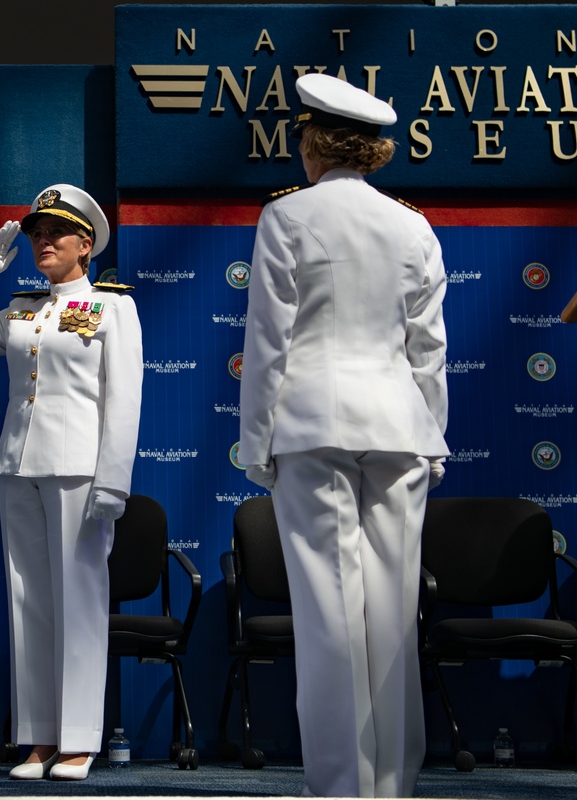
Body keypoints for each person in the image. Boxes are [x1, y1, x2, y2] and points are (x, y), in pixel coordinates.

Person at [237, 73, 449, 798]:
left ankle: (339, 787)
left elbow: (270, 341)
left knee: (330, 615)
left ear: (313, 143)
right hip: (399, 427)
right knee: (391, 615)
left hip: (314, 424)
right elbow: (429, 349)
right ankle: (390, 786)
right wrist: (435, 437)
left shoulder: (288, 219)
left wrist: (256, 441)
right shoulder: (412, 225)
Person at [0, 185, 143, 781]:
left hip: (79, 470)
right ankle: (39, 739)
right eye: (35, 233)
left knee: (79, 602)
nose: (42, 241)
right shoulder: (22, 308)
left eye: (55, 233)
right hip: (17, 466)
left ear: (86, 243)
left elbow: (124, 401)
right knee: (29, 603)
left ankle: (78, 740)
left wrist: (113, 483)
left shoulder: (111, 308)